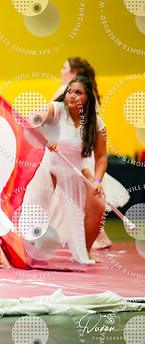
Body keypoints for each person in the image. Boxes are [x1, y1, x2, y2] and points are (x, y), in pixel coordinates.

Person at [54, 57, 130, 249]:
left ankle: (88, 238)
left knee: (83, 199)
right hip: (81, 154)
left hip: (77, 155)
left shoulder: (65, 92)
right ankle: (94, 236)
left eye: (64, 68)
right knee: (84, 199)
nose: (61, 70)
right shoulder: (87, 94)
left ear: (73, 73)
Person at [40, 76, 107, 263]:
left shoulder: (96, 123)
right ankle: (26, 247)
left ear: (88, 98)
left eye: (79, 92)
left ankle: (85, 251)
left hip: (77, 170)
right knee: (38, 202)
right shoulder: (57, 108)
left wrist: (97, 180)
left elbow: (101, 157)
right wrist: (46, 137)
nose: (72, 95)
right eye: (70, 91)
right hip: (51, 166)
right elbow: (32, 118)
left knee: (99, 205)